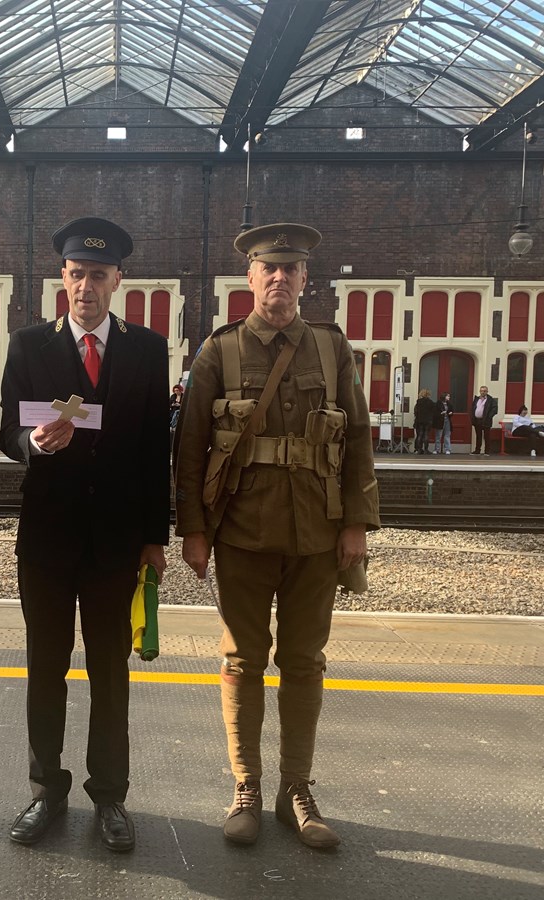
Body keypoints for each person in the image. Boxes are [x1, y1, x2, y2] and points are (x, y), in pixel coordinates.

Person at [175, 223, 380, 850]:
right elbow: (188, 451)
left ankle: (297, 789)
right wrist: (193, 530)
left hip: (317, 533)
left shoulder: (330, 348)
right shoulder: (220, 351)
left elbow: (359, 438)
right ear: (251, 278)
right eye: (270, 269)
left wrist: (354, 523)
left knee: (304, 662)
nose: (280, 279)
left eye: (291, 270)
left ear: (305, 280)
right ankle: (248, 787)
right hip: (240, 532)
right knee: (241, 658)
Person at [0, 217, 169, 854]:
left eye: (99, 276)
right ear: (61, 279)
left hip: (117, 543)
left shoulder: (147, 351)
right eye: (76, 275)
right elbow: (7, 433)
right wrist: (33, 443)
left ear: (118, 280)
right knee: (46, 668)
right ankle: (46, 788)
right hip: (47, 540)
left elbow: (158, 451)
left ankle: (111, 795)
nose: (86, 287)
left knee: (109, 672)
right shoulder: (28, 345)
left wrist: (156, 537)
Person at [469, 385, 497, 455]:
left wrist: (489, 417)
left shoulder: (491, 400)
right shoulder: (476, 399)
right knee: (478, 436)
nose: (483, 392)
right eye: (481, 391)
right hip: (477, 420)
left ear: (487, 392)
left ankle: (487, 451)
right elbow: (473, 408)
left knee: (486, 436)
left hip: (486, 420)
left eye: (484, 391)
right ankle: (477, 450)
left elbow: (494, 409)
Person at [412, 388, 435, 454]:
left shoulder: (418, 402)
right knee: (426, 435)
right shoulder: (430, 402)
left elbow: (416, 412)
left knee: (419, 434)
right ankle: (426, 449)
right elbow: (433, 411)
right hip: (428, 421)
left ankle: (419, 449)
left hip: (419, 420)